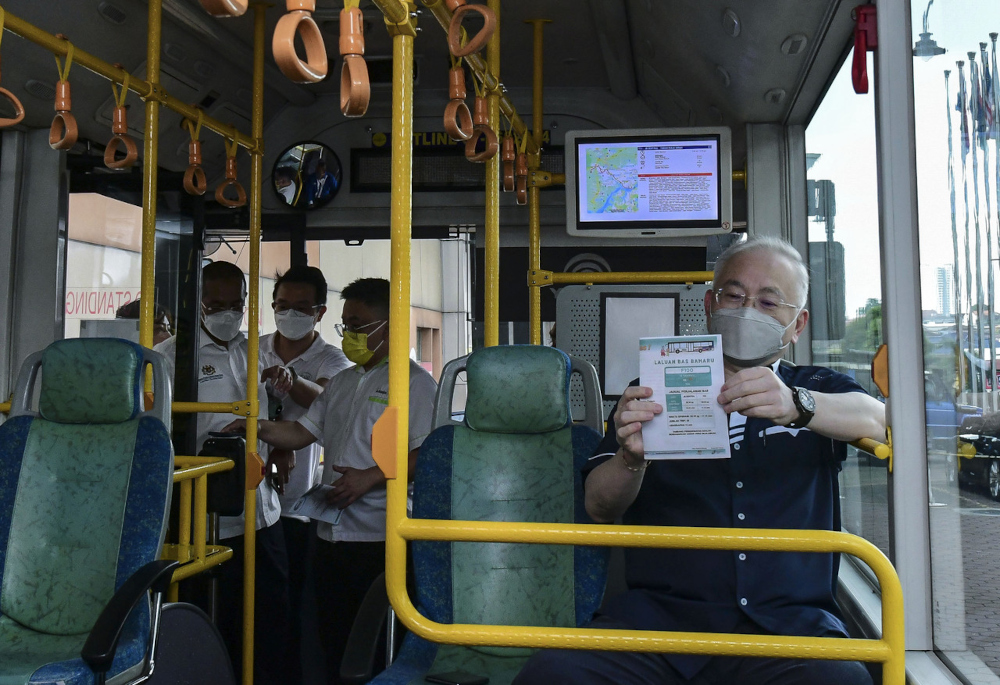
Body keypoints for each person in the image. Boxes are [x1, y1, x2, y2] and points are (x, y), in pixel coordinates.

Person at [514, 236, 887, 685]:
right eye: (734, 295)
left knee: (841, 682)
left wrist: (797, 405)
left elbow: (881, 419)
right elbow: (599, 507)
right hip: (661, 626)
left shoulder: (816, 387)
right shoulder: (652, 386)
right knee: (552, 674)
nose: (747, 309)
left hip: (789, 630)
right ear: (710, 304)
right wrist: (632, 459)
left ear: (797, 325)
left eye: (769, 302)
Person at [226, 277, 437, 684]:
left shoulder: (414, 385)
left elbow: (426, 453)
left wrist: (371, 478)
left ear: (388, 326)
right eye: (347, 326)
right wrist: (254, 427)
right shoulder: (342, 382)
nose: (350, 335)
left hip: (379, 539)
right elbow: (301, 433)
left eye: (358, 325)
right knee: (333, 643)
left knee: (375, 648)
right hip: (329, 536)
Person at [153, 260, 290, 685]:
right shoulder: (170, 358)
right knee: (210, 626)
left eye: (236, 303)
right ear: (197, 305)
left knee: (268, 627)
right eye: (216, 304)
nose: (227, 313)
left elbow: (268, 414)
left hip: (262, 514)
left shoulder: (257, 351)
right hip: (203, 521)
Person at [259, 265, 351, 684]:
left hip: (299, 502)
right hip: (252, 497)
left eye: (300, 308)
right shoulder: (253, 350)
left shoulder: (331, 358)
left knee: (295, 602)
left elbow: (326, 402)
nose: (289, 315)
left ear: (319, 313)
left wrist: (292, 381)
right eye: (282, 306)